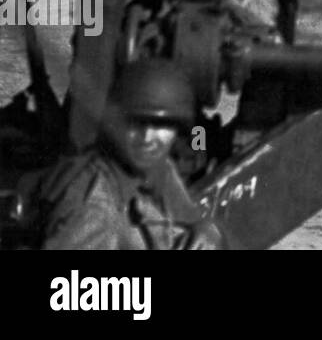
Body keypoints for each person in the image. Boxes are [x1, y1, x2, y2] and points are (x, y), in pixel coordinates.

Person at [38, 61, 225, 250]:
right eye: (137, 123)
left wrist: (205, 230)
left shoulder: (153, 168)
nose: (147, 137)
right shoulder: (95, 208)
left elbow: (189, 217)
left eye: (161, 125)